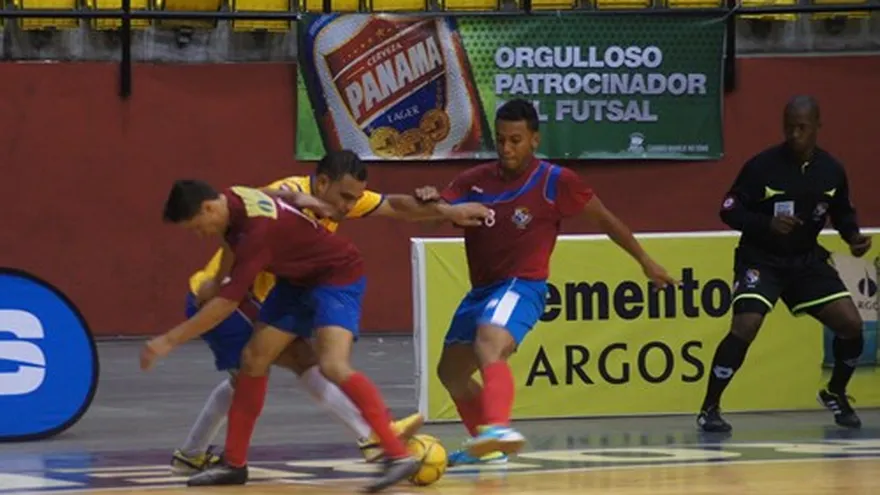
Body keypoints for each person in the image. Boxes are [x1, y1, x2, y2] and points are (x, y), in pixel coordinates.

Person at [414, 98, 677, 465]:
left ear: (535, 140)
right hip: (482, 290)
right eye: (501, 139)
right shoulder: (473, 181)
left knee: (489, 340)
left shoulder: (556, 182)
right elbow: (431, 221)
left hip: (523, 286)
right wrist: (431, 203)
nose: (507, 148)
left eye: (516, 140)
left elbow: (605, 220)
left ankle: (498, 427)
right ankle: (490, 450)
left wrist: (646, 261)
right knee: (451, 373)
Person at [169, 151, 465, 476]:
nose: (348, 207)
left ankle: (194, 454)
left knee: (258, 369)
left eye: (354, 199)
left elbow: (394, 205)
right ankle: (375, 437)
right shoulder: (288, 193)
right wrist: (167, 340)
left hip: (271, 290)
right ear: (322, 183)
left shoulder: (338, 194)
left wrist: (450, 210)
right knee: (292, 364)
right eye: (345, 198)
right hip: (234, 299)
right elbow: (249, 220)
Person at [696, 95, 872, 433]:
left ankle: (835, 391)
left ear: (818, 127)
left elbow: (842, 212)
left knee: (851, 324)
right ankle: (709, 408)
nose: (794, 135)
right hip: (761, 259)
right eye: (789, 127)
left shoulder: (831, 170)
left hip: (806, 261)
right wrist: (766, 224)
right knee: (745, 326)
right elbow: (729, 209)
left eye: (802, 128)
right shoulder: (762, 166)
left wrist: (853, 236)